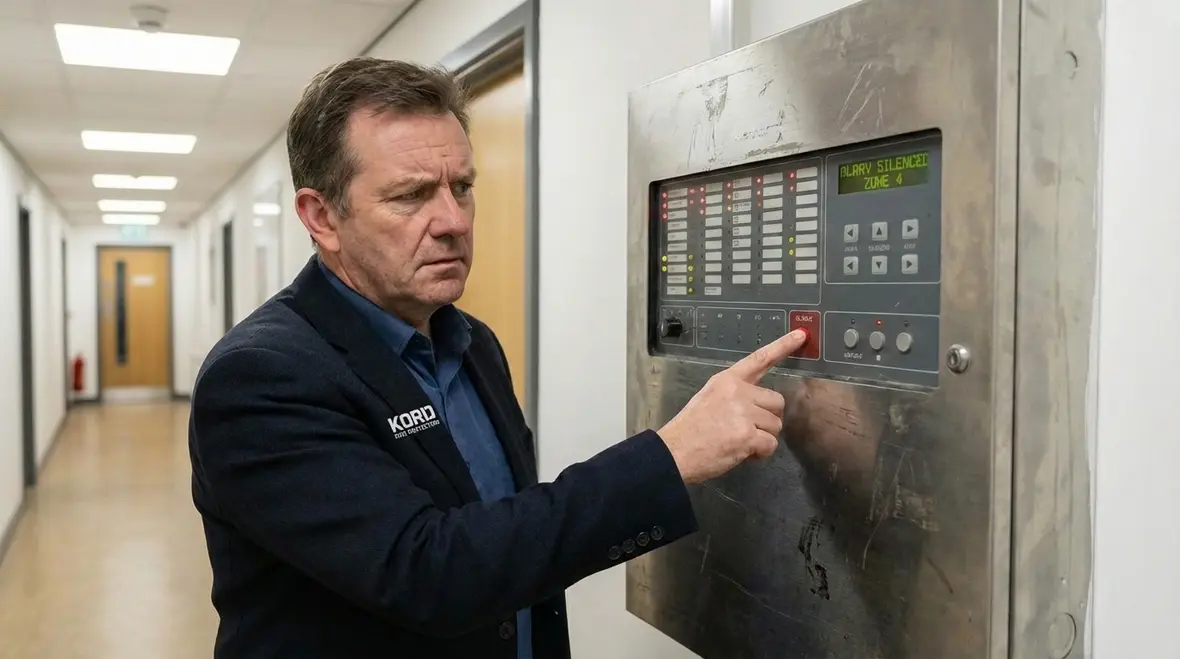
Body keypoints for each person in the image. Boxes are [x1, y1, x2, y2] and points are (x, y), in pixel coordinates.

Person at [188, 56, 809, 659]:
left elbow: (507, 536)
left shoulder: (471, 342)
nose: (453, 220)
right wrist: (668, 458)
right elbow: (428, 573)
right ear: (321, 216)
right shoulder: (261, 377)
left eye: (462, 187)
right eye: (411, 195)